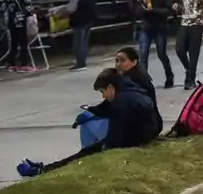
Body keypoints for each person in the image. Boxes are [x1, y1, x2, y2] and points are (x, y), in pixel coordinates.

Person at [17, 68, 161, 176]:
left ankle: (43, 171)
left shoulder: (120, 102)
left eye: (102, 91)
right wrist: (92, 111)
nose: (103, 95)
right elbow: (106, 107)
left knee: (85, 153)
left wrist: (102, 148)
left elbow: (116, 137)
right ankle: (46, 168)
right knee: (86, 151)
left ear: (110, 87)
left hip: (135, 140)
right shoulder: (130, 91)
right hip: (143, 135)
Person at [112, 47, 164, 136]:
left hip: (144, 127)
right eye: (117, 61)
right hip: (152, 124)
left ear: (134, 62)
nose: (118, 64)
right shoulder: (133, 76)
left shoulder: (132, 81)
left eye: (123, 60)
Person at [137, 0, 175, 87]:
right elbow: (137, 9)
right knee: (143, 54)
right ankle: (143, 80)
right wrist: (143, 7)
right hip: (146, 26)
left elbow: (168, 10)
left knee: (161, 53)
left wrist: (154, 10)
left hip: (160, 27)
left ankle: (169, 75)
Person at [64, 0, 97, 71]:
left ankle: (81, 64)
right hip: (89, 20)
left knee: (78, 44)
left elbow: (71, 9)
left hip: (79, 21)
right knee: (84, 43)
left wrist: (61, 12)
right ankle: (82, 61)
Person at [2, 0, 35, 73]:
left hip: (13, 23)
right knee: (23, 44)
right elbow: (28, 10)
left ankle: (12, 64)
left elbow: (4, 8)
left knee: (15, 44)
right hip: (18, 23)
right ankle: (23, 64)